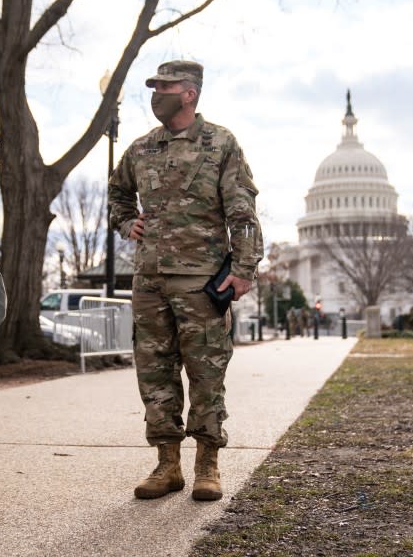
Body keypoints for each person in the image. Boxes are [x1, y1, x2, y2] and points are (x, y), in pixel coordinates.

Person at [108, 60, 263, 501]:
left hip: (200, 282)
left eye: (165, 86)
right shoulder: (141, 148)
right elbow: (117, 193)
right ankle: (167, 465)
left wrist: (244, 269)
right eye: (154, 86)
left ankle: (208, 465)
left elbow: (242, 211)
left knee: (206, 372)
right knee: (154, 375)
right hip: (150, 279)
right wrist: (125, 223)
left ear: (189, 93)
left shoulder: (220, 143)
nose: (157, 93)